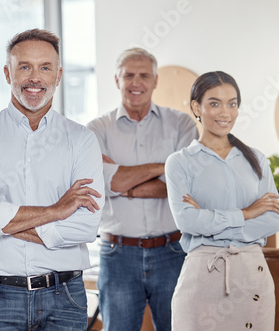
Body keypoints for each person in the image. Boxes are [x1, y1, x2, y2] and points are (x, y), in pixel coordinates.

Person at [0, 28, 104, 330]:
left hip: (65, 298)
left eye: (45, 68)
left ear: (58, 75)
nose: (35, 78)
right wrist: (55, 212)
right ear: (8, 74)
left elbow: (86, 227)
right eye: (25, 67)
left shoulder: (82, 140)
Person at [86, 48, 198, 331]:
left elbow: (183, 186)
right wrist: (164, 167)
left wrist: (124, 182)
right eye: (129, 75)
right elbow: (103, 185)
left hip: (172, 250)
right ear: (116, 80)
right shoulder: (96, 130)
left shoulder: (183, 124)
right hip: (117, 253)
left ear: (155, 80)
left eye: (144, 75)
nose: (136, 83)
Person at [165, 71, 279, 330]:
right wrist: (247, 213)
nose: (225, 112)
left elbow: (274, 219)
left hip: (253, 277)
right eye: (215, 103)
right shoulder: (180, 162)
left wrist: (210, 220)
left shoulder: (256, 159)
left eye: (232, 103)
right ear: (197, 107)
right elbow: (187, 221)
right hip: (202, 279)